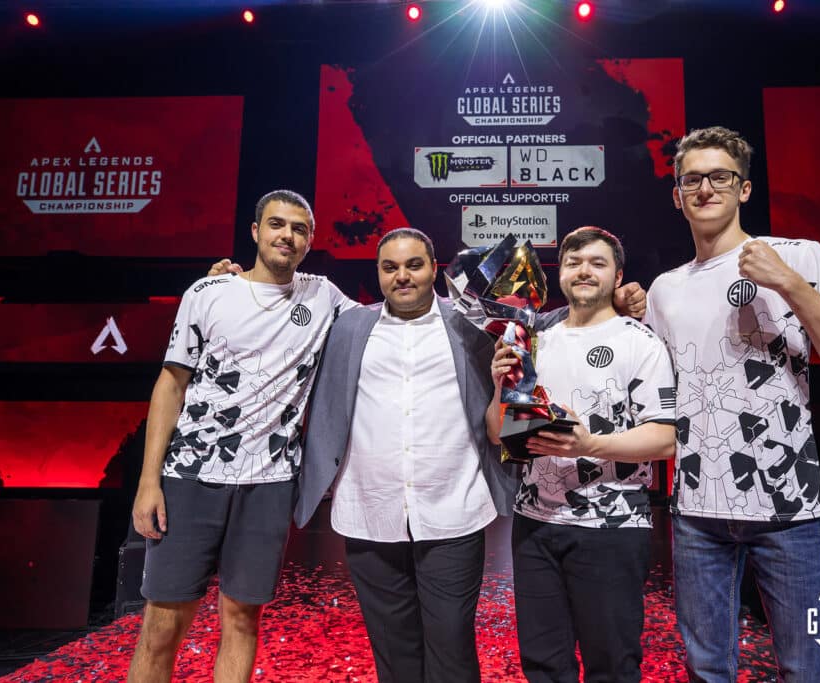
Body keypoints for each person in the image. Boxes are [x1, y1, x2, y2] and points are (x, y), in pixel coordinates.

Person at [293, 227, 648, 683]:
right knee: (393, 654)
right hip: (368, 514)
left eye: (414, 265)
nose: (403, 276)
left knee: (452, 651)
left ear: (434, 268)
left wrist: (614, 303)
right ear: (378, 274)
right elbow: (288, 301)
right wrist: (234, 277)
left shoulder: (470, 324)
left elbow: (535, 324)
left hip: (452, 513)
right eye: (390, 267)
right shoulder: (348, 325)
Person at [645, 126, 820, 682]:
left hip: (789, 507)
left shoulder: (800, 256)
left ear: (743, 188)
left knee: (810, 671)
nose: (705, 188)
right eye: (692, 179)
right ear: (677, 194)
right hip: (696, 510)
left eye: (719, 176)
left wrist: (791, 284)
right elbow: (658, 394)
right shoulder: (663, 290)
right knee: (708, 672)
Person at [127, 189, 357, 683]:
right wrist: (149, 481)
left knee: (242, 618)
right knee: (163, 623)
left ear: (310, 240)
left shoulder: (324, 297)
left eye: (298, 229)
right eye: (276, 225)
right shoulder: (207, 293)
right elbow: (170, 384)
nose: (286, 236)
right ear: (255, 232)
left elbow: (386, 325)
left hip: (270, 484)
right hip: (190, 477)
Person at [487, 226, 677, 683]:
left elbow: (666, 437)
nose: (584, 271)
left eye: (597, 262)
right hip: (535, 525)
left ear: (618, 276)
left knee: (611, 664)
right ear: (561, 274)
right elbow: (498, 435)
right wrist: (499, 386)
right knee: (543, 664)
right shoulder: (534, 340)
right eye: (574, 263)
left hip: (610, 528)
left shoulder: (640, 341)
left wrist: (590, 444)